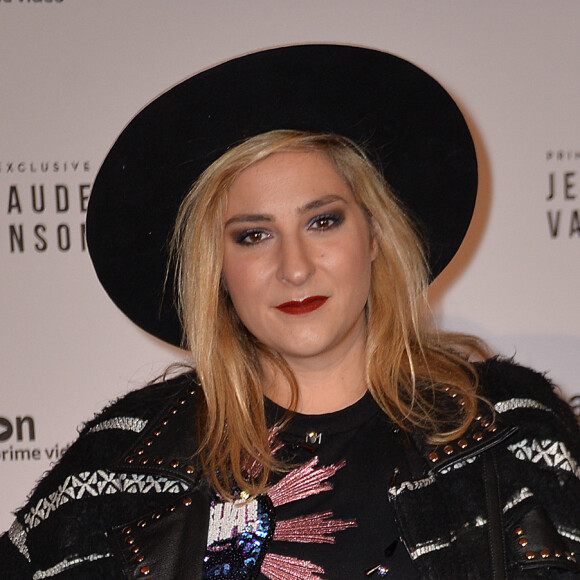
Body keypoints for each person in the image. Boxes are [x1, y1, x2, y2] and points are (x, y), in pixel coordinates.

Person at [1, 45, 579, 580]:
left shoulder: (507, 429)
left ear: (374, 234)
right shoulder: (125, 459)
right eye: (253, 235)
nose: (295, 267)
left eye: (323, 221)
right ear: (217, 268)